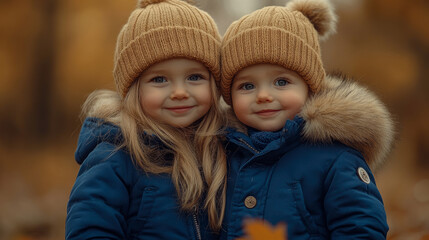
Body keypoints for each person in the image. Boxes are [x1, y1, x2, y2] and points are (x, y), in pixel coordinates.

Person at [218, 0, 395, 239]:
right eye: (247, 85)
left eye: (281, 82)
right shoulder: (222, 154)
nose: (263, 96)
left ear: (310, 88)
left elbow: (360, 227)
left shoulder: (335, 158)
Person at [65, 0, 227, 239]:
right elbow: (90, 227)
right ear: (134, 90)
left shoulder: (225, 148)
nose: (180, 92)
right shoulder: (115, 153)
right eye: (159, 80)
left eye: (194, 77)